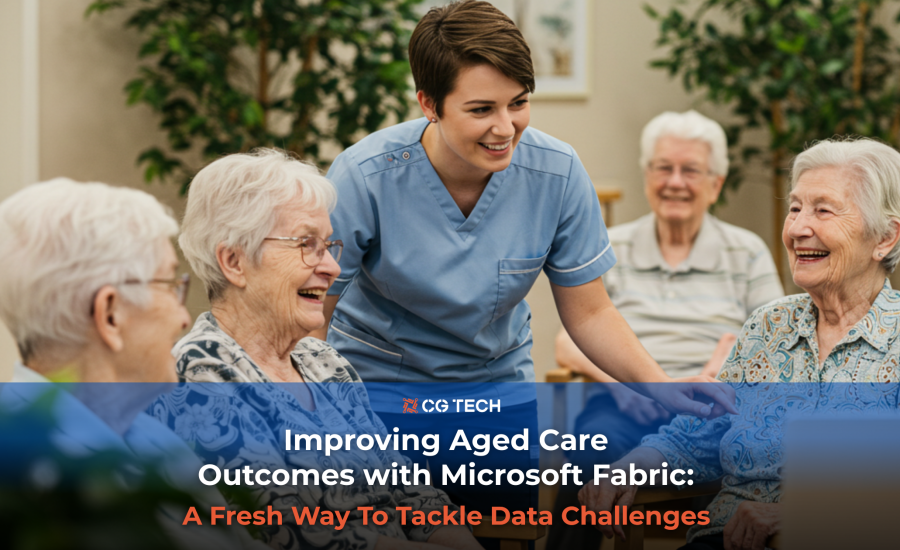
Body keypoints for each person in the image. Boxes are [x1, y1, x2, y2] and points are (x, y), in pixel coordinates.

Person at [318, 1, 731, 425]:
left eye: (518, 103)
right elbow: (316, 311)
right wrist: (316, 410)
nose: (505, 128)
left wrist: (662, 386)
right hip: (382, 393)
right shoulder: (365, 177)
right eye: (481, 109)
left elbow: (590, 313)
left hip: (497, 393)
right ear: (429, 104)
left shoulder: (557, 172)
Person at [579, 137, 900, 550]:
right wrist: (628, 469)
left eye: (822, 210)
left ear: (885, 238)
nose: (799, 228)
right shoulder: (769, 326)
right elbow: (696, 437)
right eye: (795, 208)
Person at [166, 148, 481, 550]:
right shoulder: (200, 373)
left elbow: (412, 495)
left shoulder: (323, 362)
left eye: (330, 246)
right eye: (306, 244)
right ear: (234, 261)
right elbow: (301, 535)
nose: (332, 267)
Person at [547, 111, 784, 549]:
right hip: (624, 403)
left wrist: (720, 370)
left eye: (690, 170)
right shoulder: (609, 244)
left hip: (710, 408)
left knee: (739, 461)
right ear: (646, 175)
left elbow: (774, 339)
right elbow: (568, 342)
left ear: (715, 183)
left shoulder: (746, 251)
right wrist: (628, 384)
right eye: (663, 168)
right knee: (588, 451)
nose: (675, 182)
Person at [0, 178, 262, 550]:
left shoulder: (148, 435)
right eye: (171, 286)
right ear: (110, 315)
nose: (182, 317)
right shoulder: (34, 481)